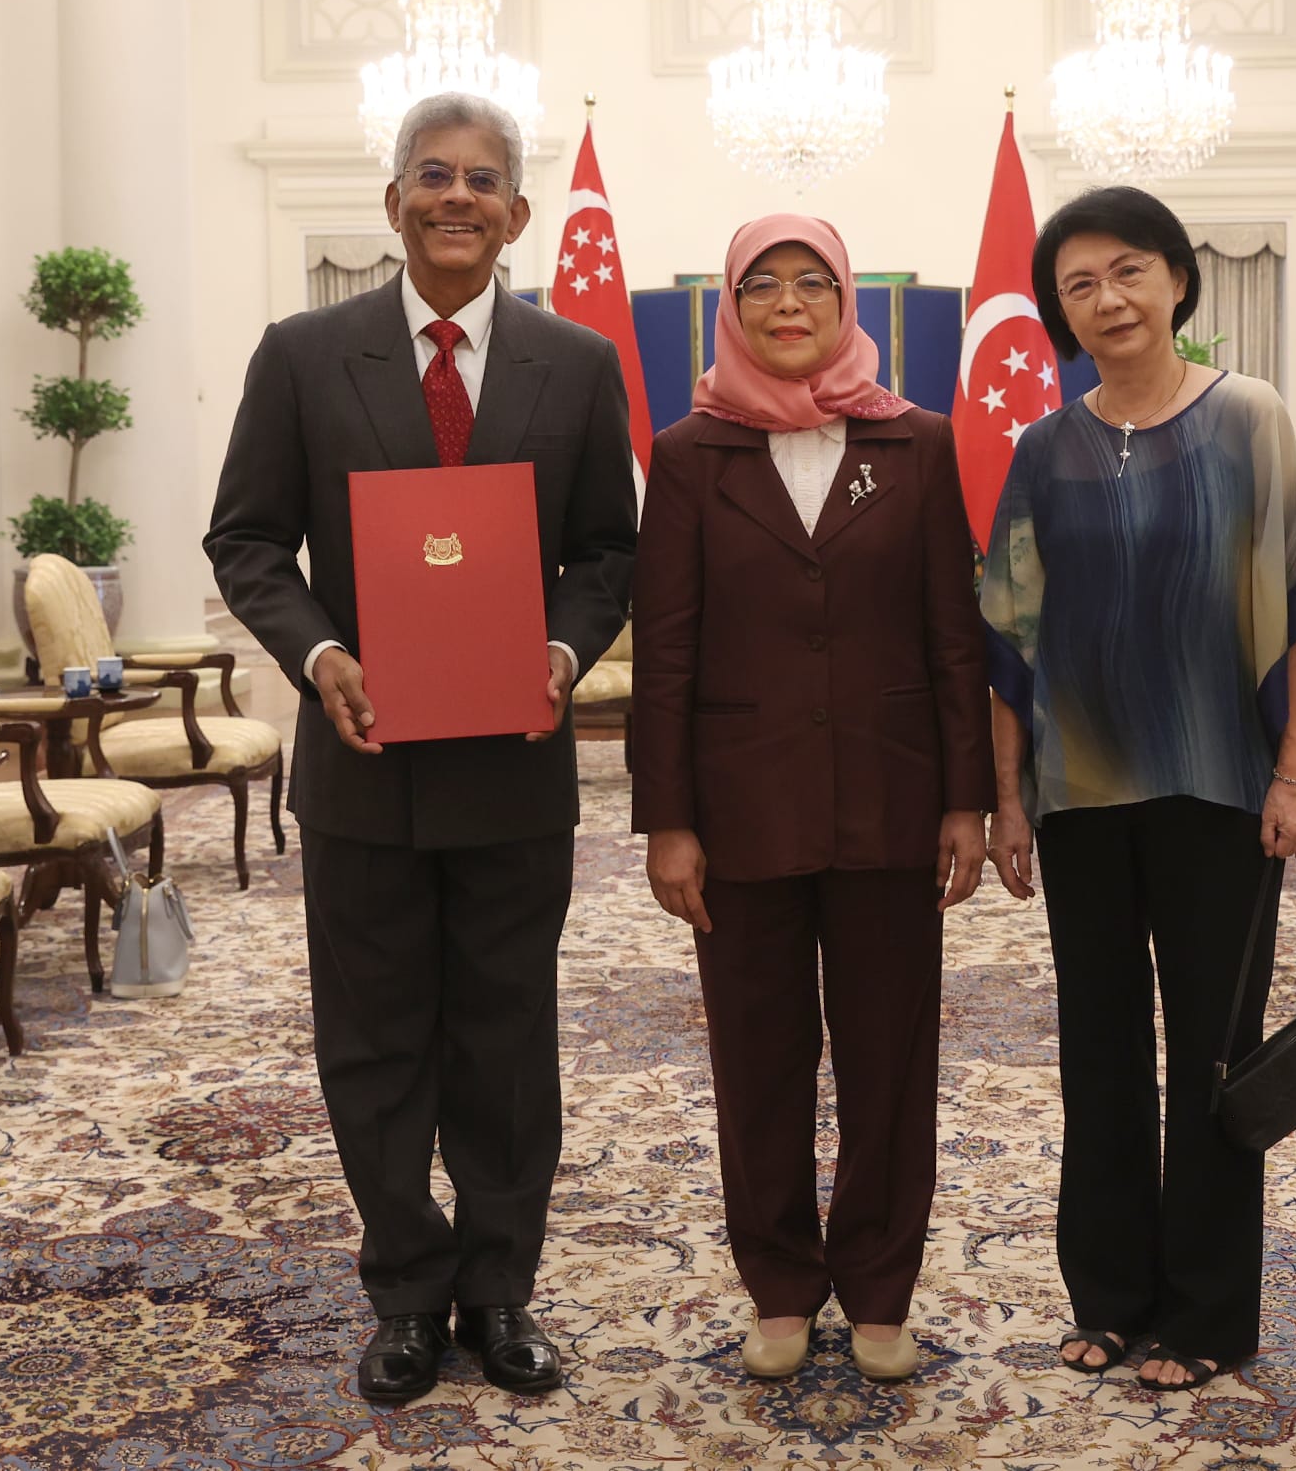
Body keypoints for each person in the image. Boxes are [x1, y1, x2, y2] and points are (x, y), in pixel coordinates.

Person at [204, 92, 636, 1405]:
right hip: (363, 765)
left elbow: (609, 553)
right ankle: (404, 1287)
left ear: (518, 214)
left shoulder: (576, 365)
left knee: (506, 1039)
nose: (458, 198)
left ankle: (499, 1288)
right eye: (432, 177)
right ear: (393, 203)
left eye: (484, 181)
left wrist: (560, 656)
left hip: (513, 770)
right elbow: (248, 543)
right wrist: (321, 656)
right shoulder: (301, 353)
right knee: (376, 1037)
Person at [980, 186, 1296, 1391]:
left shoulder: (1248, 418)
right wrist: (1008, 798)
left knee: (1210, 1051)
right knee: (1098, 1055)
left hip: (1216, 788)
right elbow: (1010, 640)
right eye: (1079, 285)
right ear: (1061, 313)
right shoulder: (1043, 450)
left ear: (1179, 280)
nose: (1108, 299)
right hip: (1083, 796)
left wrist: (1293, 773)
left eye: (1129, 271)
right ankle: (1110, 1297)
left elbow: (1295, 607)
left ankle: (1202, 1315)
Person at [631, 215, 994, 1382]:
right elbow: (667, 652)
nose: (790, 305)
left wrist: (967, 800)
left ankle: (881, 1286)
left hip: (892, 803)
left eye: (813, 284)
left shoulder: (920, 443)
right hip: (741, 810)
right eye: (764, 287)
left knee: (889, 1057)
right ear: (731, 309)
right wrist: (668, 820)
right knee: (760, 1057)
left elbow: (954, 637)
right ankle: (781, 1285)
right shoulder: (690, 453)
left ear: (848, 304)